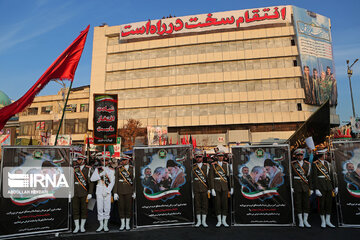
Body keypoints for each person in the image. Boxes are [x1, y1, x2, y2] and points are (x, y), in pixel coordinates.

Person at [311, 148, 337, 228]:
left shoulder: (328, 163)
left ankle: (328, 221)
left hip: (328, 186)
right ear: (322, 155)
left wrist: (335, 186)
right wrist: (316, 188)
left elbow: (331, 176)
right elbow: (314, 177)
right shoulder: (315, 164)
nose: (326, 156)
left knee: (329, 204)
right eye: (325, 154)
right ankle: (323, 221)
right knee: (321, 204)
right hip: (321, 186)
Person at [90, 155, 115, 232]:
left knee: (107, 208)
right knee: (100, 208)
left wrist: (108, 191)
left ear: (108, 162)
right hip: (99, 190)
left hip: (107, 190)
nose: (105, 162)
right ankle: (101, 225)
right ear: (101, 161)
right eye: (103, 161)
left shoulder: (111, 170)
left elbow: (112, 182)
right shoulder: (98, 169)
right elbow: (92, 179)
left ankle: (105, 225)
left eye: (106, 161)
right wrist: (100, 175)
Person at [209, 150, 233, 227]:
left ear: (223, 157)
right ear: (216, 157)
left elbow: (229, 177)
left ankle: (224, 220)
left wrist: (231, 187)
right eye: (219, 156)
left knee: (225, 204)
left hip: (225, 187)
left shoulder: (226, 165)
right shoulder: (213, 165)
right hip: (216, 186)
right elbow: (211, 177)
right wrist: (212, 188)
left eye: (222, 156)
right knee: (217, 204)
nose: (220, 157)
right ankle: (219, 220)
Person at [72, 154, 94, 233]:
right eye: (77, 159)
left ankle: (82, 226)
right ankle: (77, 227)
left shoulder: (88, 169)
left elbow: (91, 182)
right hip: (75, 192)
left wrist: (90, 192)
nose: (78, 161)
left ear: (83, 160)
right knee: (75, 210)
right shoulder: (74, 169)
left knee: (84, 210)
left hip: (84, 192)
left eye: (79, 159)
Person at [291, 148, 312, 228]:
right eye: (298, 155)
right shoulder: (293, 164)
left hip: (305, 185)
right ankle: (300, 220)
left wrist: (311, 188)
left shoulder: (308, 164)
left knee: (306, 203)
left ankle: (305, 220)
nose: (300, 156)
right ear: (296, 156)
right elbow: (291, 176)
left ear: (303, 155)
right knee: (298, 203)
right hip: (296, 185)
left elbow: (309, 177)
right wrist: (292, 186)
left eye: (301, 155)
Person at [113, 156, 134, 231]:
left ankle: (127, 224)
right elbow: (115, 181)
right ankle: (122, 223)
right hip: (120, 190)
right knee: (121, 207)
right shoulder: (118, 168)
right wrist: (115, 192)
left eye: (125, 160)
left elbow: (134, 181)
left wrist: (134, 191)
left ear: (128, 160)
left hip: (129, 190)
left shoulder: (132, 168)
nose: (123, 161)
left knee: (128, 207)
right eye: (122, 160)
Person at [192, 150, 210, 228]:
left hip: (204, 188)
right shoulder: (192, 166)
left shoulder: (206, 166)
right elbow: (192, 179)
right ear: (195, 158)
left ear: (202, 157)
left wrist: (209, 188)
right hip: (196, 188)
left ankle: (204, 221)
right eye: (197, 157)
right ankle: (199, 221)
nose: (198, 158)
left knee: (205, 205)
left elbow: (209, 178)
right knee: (197, 204)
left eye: (200, 157)